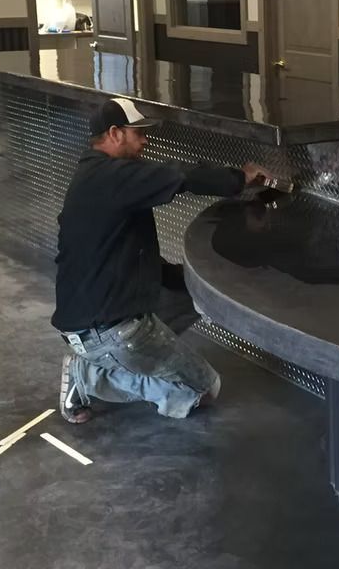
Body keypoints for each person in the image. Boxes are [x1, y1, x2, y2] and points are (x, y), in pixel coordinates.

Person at [51, 96, 269, 423]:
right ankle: (89, 375)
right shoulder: (114, 176)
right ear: (115, 134)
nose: (145, 140)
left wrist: (198, 282)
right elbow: (178, 175)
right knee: (202, 390)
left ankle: (103, 360)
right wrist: (239, 178)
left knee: (194, 296)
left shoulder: (93, 176)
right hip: (108, 330)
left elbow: (129, 256)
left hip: (88, 322)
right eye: (137, 132)